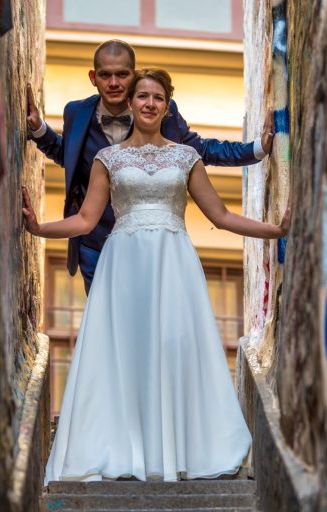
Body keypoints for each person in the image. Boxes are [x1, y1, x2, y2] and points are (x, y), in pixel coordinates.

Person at [22, 69, 289, 485]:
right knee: (124, 349)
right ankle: (124, 449)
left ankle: (182, 449)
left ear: (167, 106)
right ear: (130, 104)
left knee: (173, 343)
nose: (149, 103)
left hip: (173, 262)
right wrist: (38, 229)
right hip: (122, 263)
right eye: (142, 96)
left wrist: (274, 230)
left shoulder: (186, 157)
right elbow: (86, 219)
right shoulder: (107, 160)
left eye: (158, 98)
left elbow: (220, 216)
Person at [26, 39, 275, 292]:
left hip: (156, 247)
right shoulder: (76, 112)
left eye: (122, 74)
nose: (114, 83)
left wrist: (257, 148)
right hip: (94, 244)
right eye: (105, 75)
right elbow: (68, 155)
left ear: (133, 76)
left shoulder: (159, 110)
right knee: (108, 325)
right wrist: (38, 130)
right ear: (93, 77)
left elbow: (201, 151)